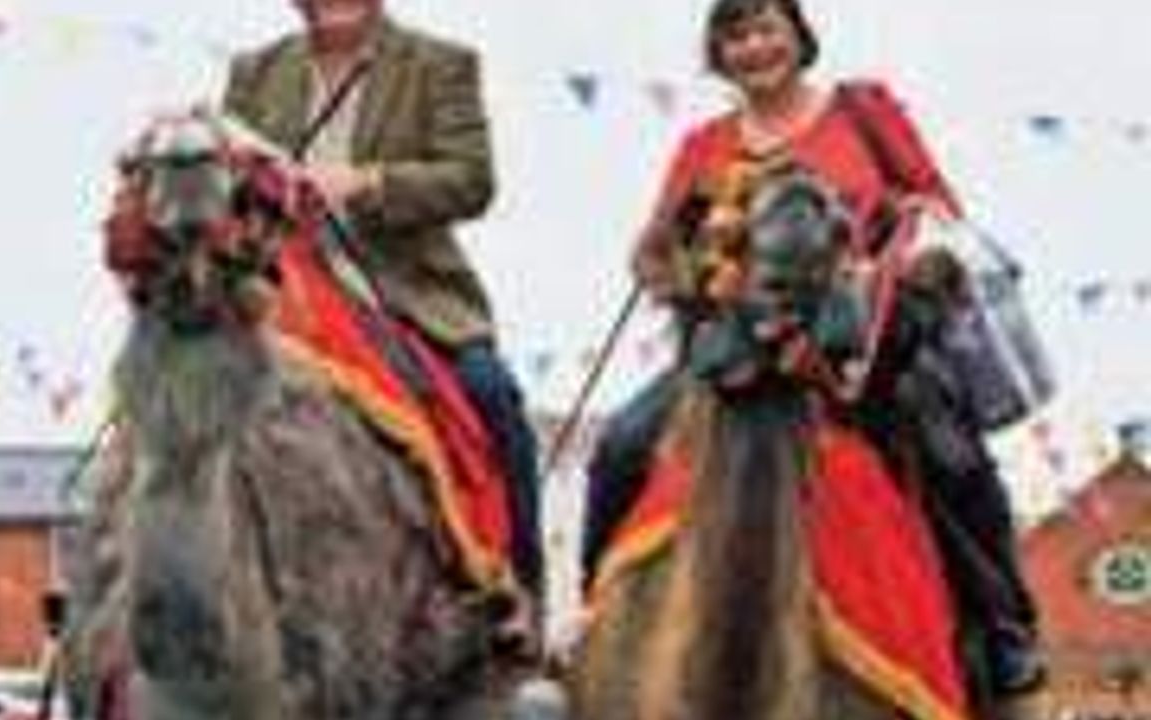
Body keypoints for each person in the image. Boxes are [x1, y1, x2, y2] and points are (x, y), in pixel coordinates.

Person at [583, 0, 1043, 696]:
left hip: (864, 353)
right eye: (734, 35)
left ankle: (1005, 630)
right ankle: (592, 619)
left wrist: (901, 269)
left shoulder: (865, 114)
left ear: (798, 36)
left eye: (766, 28)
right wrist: (685, 270)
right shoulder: (703, 145)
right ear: (718, 54)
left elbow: (937, 212)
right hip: (735, 356)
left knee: (953, 457)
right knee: (621, 444)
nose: (753, 47)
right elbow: (654, 252)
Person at [220, 0, 542, 639]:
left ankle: (521, 594)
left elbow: (471, 180)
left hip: (405, 299)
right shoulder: (254, 72)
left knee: (493, 397)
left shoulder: (440, 64)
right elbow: (227, 187)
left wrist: (367, 182)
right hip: (282, 298)